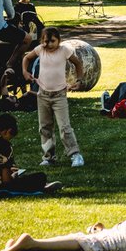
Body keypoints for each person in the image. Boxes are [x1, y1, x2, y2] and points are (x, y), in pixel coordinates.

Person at [23, 27, 85, 168]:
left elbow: (77, 63)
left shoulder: (64, 51)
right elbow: (26, 58)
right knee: (45, 127)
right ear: (41, 41)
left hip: (59, 95)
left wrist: (79, 80)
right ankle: (49, 157)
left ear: (59, 40)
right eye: (46, 41)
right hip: (43, 94)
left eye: (52, 41)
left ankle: (75, 155)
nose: (49, 44)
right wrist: (25, 72)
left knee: (64, 127)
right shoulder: (40, 50)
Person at [0, 113, 62, 196]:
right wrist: (13, 175)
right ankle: (43, 186)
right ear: (7, 131)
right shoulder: (3, 144)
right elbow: (6, 181)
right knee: (40, 177)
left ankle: (42, 186)